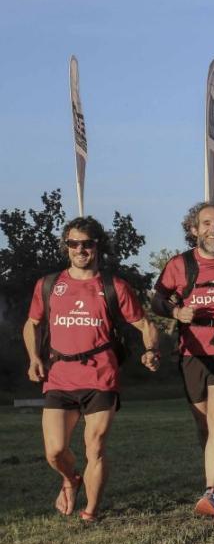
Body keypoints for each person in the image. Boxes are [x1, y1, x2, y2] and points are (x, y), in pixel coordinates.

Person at [23, 217, 161, 521]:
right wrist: (34, 358)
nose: (80, 249)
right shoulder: (49, 285)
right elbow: (32, 324)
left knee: (95, 447)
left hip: (101, 375)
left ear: (97, 246)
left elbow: (145, 324)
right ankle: (71, 478)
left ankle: (91, 512)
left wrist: (151, 350)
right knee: (55, 451)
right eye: (74, 243)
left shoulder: (114, 286)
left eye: (87, 243)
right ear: (66, 246)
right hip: (59, 376)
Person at [152, 202, 214, 517]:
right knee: (203, 424)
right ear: (194, 229)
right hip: (192, 351)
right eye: (207, 223)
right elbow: (157, 298)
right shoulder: (179, 264)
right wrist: (175, 311)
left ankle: (209, 493)